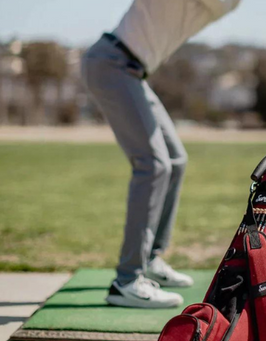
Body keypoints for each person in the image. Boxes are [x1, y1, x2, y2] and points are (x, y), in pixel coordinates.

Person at [81, 0, 241, 309]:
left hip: (131, 71)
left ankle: (151, 258)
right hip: (112, 62)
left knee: (174, 161)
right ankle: (127, 280)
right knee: (153, 165)